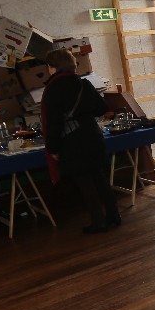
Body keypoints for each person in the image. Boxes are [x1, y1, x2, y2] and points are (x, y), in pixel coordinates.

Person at [41, 48, 120, 233]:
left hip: (72, 140)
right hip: (92, 134)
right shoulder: (84, 83)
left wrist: (53, 148)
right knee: (99, 177)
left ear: (53, 67)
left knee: (85, 182)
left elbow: (53, 122)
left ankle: (98, 222)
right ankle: (113, 215)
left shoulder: (52, 89)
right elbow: (101, 108)